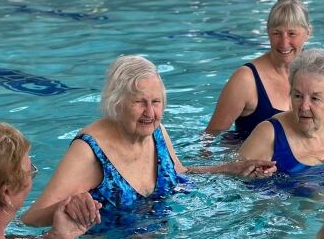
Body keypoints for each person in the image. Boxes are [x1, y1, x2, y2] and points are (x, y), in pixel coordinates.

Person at [22, 55, 275, 228]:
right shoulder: (89, 150)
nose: (150, 113)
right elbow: (31, 218)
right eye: (140, 102)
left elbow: (180, 174)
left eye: (156, 102)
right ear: (117, 103)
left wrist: (232, 169)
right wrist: (68, 206)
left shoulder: (157, 132)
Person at [238, 48, 324, 175]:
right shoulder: (270, 134)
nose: (304, 106)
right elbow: (227, 174)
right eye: (298, 96)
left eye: (314, 98)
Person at [204, 0, 312, 139]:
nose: (284, 43)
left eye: (292, 34)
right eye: (276, 33)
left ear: (308, 33)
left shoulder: (316, 74)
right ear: (268, 32)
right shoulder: (246, 80)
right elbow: (208, 141)